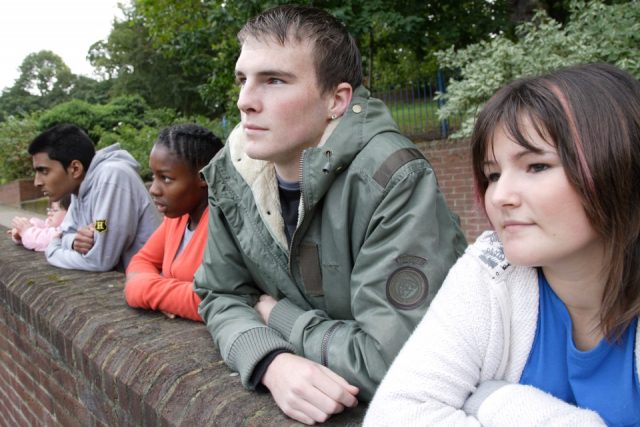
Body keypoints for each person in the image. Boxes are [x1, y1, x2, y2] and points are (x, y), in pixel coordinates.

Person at [193, 5, 467, 424]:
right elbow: (220, 293)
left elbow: (393, 360)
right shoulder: (233, 172)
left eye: (274, 81)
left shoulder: (393, 178)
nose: (245, 101)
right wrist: (270, 361)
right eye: (243, 79)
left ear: (336, 100)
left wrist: (276, 314)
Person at [365, 63, 640, 426]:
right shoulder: (491, 270)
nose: (500, 196)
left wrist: (495, 400)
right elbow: (394, 416)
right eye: (493, 174)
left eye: (537, 166)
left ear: (621, 167)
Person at [28, 123, 160, 272]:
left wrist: (52, 251)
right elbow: (66, 233)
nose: (37, 182)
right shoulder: (78, 189)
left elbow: (99, 260)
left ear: (75, 169)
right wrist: (73, 241)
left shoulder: (111, 178)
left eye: (43, 171)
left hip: (148, 284)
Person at [124, 124, 223, 321]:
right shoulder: (178, 217)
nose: (153, 189)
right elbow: (143, 260)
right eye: (154, 176)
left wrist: (143, 289)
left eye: (166, 178)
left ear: (203, 176)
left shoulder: (223, 224)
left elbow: (218, 300)